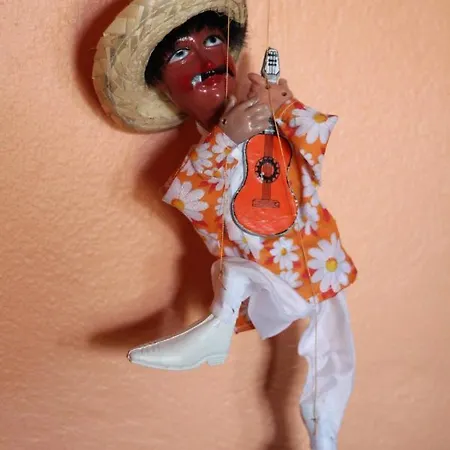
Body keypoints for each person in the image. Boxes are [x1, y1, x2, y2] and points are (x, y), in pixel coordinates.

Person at [93, 1, 357, 449]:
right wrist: (226, 137)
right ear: (163, 89)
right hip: (262, 266)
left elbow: (314, 148)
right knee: (235, 274)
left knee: (333, 353)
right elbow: (189, 196)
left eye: (214, 40)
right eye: (181, 53)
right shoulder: (208, 152)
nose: (205, 60)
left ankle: (324, 435)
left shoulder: (272, 120)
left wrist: (285, 106)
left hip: (312, 257)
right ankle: (215, 332)